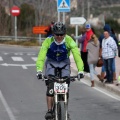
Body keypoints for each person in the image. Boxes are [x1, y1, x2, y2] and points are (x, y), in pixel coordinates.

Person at [36, 22, 84, 119]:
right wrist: (39, 70)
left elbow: (77, 56)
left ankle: (65, 110)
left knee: (65, 85)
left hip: (64, 63)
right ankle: (49, 110)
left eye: (61, 34)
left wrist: (80, 70)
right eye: (57, 34)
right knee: (50, 86)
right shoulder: (48, 41)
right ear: (53, 34)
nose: (59, 37)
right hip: (51, 62)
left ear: (65, 34)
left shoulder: (69, 41)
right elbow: (41, 56)